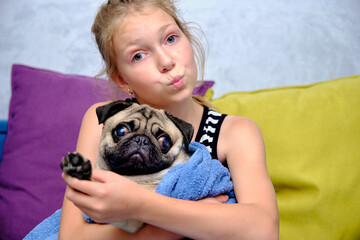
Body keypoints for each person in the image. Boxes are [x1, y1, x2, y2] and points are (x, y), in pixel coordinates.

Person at [59, 0, 279, 239]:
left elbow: (264, 229)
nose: (166, 62)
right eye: (139, 55)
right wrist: (169, 219)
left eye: (171, 39)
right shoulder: (106, 120)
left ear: (187, 37)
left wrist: (138, 206)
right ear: (122, 79)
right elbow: (72, 236)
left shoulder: (235, 133)